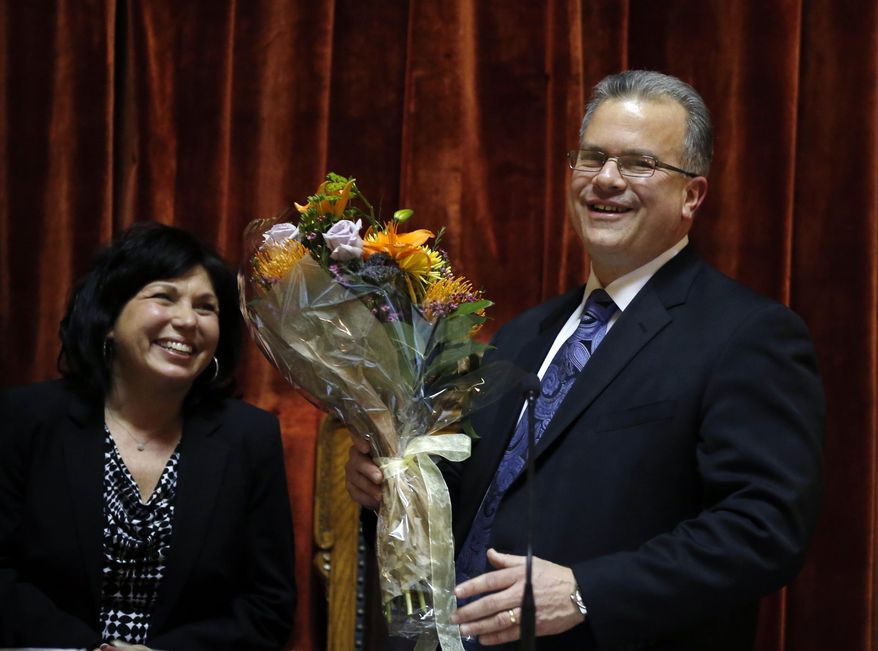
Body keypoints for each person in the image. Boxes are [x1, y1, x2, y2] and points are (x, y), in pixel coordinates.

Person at [346, 70, 824, 649]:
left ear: (692, 196)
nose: (606, 180)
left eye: (640, 164)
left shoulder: (747, 334)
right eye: (592, 157)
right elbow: (485, 495)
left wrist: (586, 591)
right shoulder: (525, 333)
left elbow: (763, 531)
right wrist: (394, 486)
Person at [0, 222, 297, 650]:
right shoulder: (26, 419)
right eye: (164, 297)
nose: (187, 320)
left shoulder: (250, 437)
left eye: (206, 307)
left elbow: (269, 605)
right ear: (108, 319)